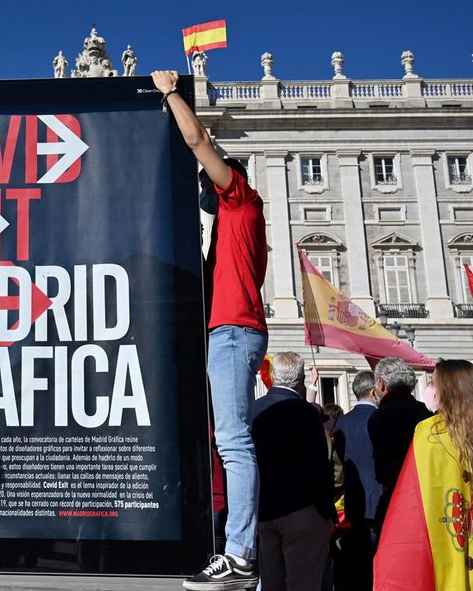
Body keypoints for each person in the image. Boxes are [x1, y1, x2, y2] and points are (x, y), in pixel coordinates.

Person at [152, 70, 268, 590]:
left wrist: (170, 93)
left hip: (233, 332)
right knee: (228, 441)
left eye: (207, 183)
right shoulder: (232, 233)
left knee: (235, 443)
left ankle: (240, 553)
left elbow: (199, 141)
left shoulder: (240, 199)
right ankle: (235, 550)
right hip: (226, 332)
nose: (204, 190)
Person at [374, 359, 473, 590]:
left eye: (433, 384)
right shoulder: (426, 430)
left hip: (443, 537)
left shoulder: (428, 433)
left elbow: (412, 495)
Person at [251, 352, 335, 591]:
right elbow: (317, 465)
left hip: (266, 511)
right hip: (302, 510)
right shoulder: (305, 412)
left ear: (273, 376)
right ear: (300, 379)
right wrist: (324, 511)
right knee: (303, 584)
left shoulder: (254, 409)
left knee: (271, 584)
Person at [367, 356, 431, 530]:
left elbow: (383, 467)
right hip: (427, 494)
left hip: (397, 495)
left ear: (381, 384)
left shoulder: (380, 417)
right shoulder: (425, 412)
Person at [333, 370, 382, 591]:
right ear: (374, 392)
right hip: (379, 497)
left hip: (354, 499)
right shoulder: (379, 418)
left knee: (358, 560)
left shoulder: (342, 422)